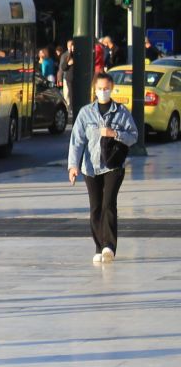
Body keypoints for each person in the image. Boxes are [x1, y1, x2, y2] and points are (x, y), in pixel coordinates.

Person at [68, 72, 138, 264]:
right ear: (94, 89)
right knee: (95, 208)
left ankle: (109, 246)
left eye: (106, 88)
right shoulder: (85, 113)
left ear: (112, 87)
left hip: (113, 166)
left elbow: (133, 136)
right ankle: (99, 245)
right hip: (90, 167)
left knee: (109, 204)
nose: (103, 92)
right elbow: (77, 141)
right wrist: (73, 166)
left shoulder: (121, 112)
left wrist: (115, 133)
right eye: (100, 88)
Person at [59, 39, 75, 104]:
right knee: (68, 97)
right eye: (71, 46)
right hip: (67, 78)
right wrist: (68, 64)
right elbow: (62, 68)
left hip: (74, 79)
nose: (73, 47)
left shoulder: (76, 54)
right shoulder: (65, 55)